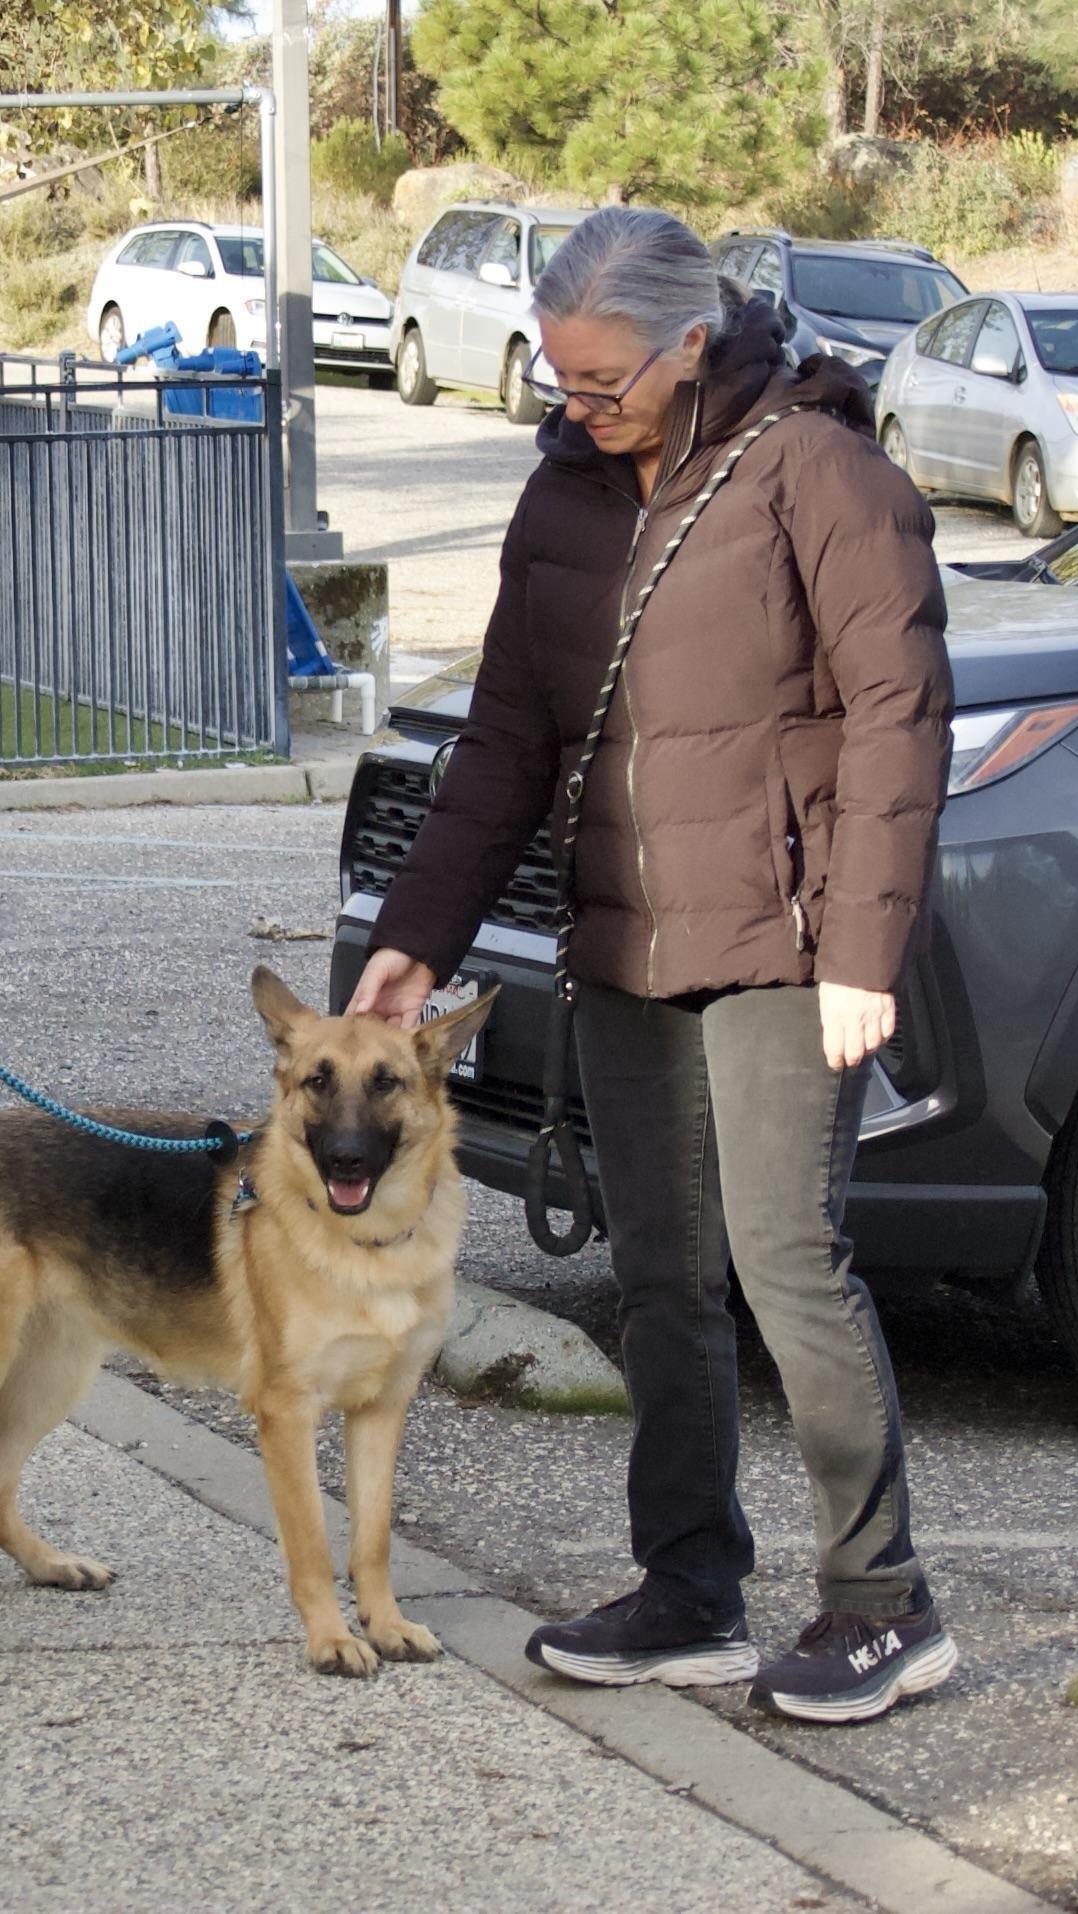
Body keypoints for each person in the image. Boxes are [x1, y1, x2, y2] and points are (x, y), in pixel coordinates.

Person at [348, 207, 958, 1725]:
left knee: (788, 1258)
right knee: (662, 1276)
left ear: (693, 341)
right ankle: (690, 1589)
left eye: (602, 380)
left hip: (787, 938)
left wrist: (863, 949)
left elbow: (898, 717)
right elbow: (507, 741)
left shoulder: (817, 468)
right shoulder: (561, 491)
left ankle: (883, 1603)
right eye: (557, 377)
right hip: (625, 936)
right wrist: (415, 938)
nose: (575, 405)